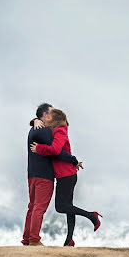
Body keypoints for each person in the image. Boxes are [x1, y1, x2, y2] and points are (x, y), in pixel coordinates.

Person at [30, 108, 102, 247]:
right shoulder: (53, 130)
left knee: (61, 207)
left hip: (66, 176)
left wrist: (39, 148)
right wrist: (34, 121)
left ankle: (92, 216)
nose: (45, 117)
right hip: (64, 175)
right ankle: (69, 240)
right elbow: (38, 121)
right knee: (68, 207)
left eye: (48, 116)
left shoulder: (60, 130)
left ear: (55, 119)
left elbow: (57, 151)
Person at [23, 103, 80, 246]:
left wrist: (33, 120)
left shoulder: (34, 129)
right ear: (44, 115)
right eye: (51, 113)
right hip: (44, 176)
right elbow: (57, 151)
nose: (53, 115)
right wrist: (74, 160)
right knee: (39, 208)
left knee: (32, 206)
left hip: (32, 174)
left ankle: (27, 239)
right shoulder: (44, 131)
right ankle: (34, 240)